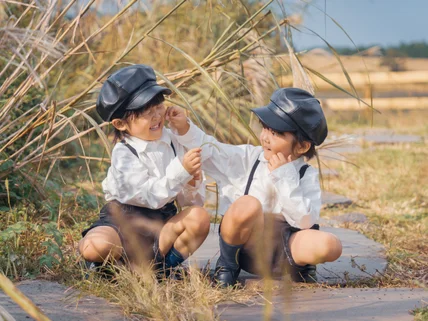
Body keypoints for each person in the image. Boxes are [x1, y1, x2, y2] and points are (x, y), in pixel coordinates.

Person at [167, 87, 342, 286]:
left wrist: (284, 176)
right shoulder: (248, 158)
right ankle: (227, 265)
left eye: (276, 133)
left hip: (286, 250)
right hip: (247, 249)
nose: (265, 136)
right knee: (247, 203)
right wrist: (184, 128)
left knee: (331, 245)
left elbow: (304, 221)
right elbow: (211, 150)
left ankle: (302, 267)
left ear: (302, 147)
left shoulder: (305, 175)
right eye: (265, 127)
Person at [78, 64, 211, 276]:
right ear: (121, 124)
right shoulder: (124, 152)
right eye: (145, 112)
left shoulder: (175, 142)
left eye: (158, 106)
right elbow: (147, 197)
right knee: (95, 246)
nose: (156, 115)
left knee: (199, 217)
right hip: (123, 221)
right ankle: (107, 265)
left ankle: (160, 267)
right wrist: (180, 171)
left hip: (161, 226)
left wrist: (192, 181)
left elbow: (189, 204)